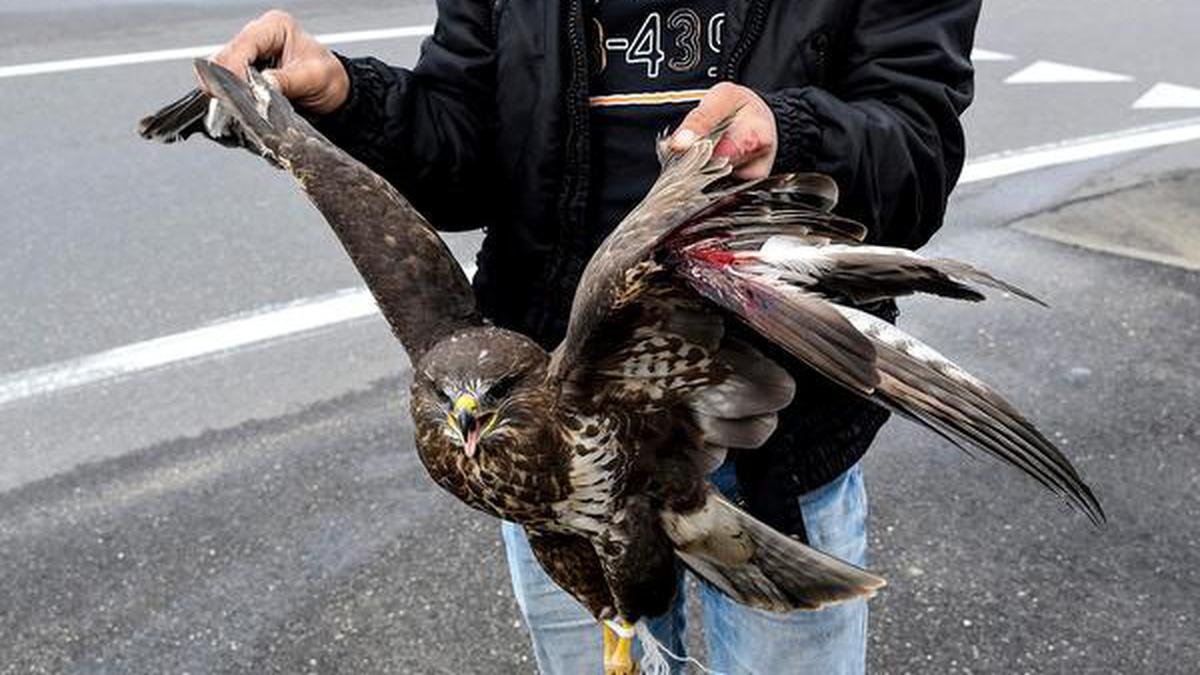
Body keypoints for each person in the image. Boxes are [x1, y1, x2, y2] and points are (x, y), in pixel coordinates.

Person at [208, 1, 981, 672]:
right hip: (548, 448)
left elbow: (917, 146)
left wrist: (793, 136)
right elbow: (464, 149)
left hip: (772, 427)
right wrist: (344, 95)